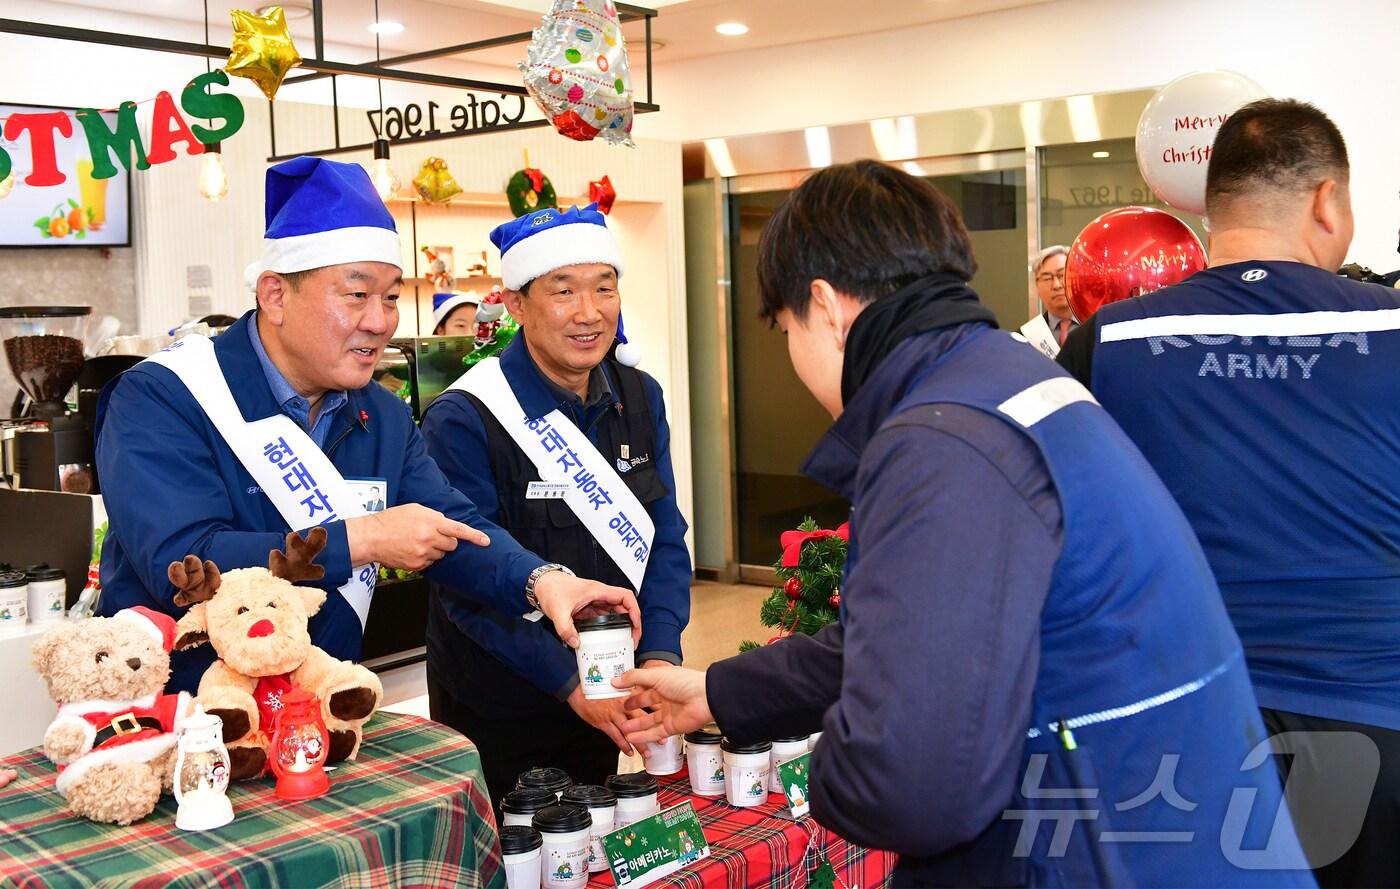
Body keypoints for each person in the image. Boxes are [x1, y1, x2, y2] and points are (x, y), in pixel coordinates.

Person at [616, 160, 1309, 886]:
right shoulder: (1002, 378)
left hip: (1100, 852)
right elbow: (924, 632)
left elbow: (912, 783)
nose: (791, 353)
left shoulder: (941, 440)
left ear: (826, 306)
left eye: (786, 327)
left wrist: (806, 773)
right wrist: (718, 693)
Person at [95, 157, 639, 695]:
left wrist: (543, 583)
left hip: (321, 714)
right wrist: (364, 538)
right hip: (181, 721)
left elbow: (451, 523)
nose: (379, 322)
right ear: (275, 295)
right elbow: (184, 565)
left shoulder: (380, 413)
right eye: (356, 295)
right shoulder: (166, 395)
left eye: (391, 297)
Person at [1058, 98, 1400, 887]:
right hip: (1377, 728)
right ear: (1327, 201)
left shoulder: (1108, 342)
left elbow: (1061, 535)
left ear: (1211, 210)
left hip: (1185, 736)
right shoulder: (1390, 327)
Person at [419, 203, 691, 806]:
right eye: (563, 290)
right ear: (516, 304)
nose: (589, 312)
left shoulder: (638, 395)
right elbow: (464, 577)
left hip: (614, 682)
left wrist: (660, 657)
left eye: (604, 287)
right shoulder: (466, 416)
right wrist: (571, 683)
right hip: (501, 703)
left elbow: (664, 531)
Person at [1030, 244, 1077, 346]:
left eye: (1062, 275)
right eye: (1047, 278)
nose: (1056, 285)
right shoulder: (1028, 336)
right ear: (1036, 285)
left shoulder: (1097, 326)